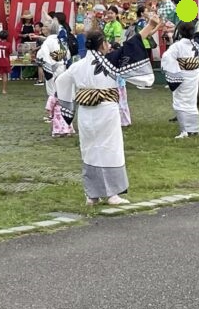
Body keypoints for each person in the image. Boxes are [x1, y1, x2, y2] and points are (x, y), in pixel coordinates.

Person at [55, 15, 161, 206]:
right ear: (103, 44)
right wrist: (149, 27)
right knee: (110, 149)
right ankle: (112, 194)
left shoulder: (77, 66)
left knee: (89, 151)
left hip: (86, 114)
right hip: (106, 112)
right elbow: (131, 45)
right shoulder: (110, 62)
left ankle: (92, 195)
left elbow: (61, 81)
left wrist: (68, 110)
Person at [161, 20, 199, 139]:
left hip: (182, 74)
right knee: (191, 102)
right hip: (194, 74)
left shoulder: (177, 46)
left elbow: (166, 58)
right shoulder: (196, 44)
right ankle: (195, 129)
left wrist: (174, 70)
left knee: (180, 102)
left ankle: (185, 130)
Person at [36, 16, 70, 124]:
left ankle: (53, 114)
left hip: (53, 69)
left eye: (45, 26)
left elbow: (43, 56)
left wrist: (49, 67)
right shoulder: (59, 40)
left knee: (52, 92)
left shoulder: (48, 42)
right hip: (61, 68)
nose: (43, 28)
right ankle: (58, 114)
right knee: (59, 92)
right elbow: (67, 54)